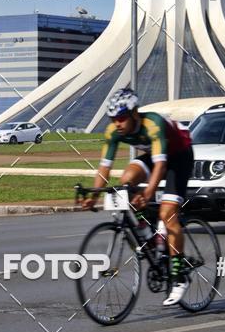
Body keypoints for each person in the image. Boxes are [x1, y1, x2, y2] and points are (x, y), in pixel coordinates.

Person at [82, 88, 194, 305]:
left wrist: (148, 192)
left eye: (122, 118)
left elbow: (162, 166)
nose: (117, 123)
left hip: (180, 156)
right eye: (113, 119)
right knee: (126, 180)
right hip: (155, 155)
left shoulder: (152, 124)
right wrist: (94, 195)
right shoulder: (113, 131)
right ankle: (148, 232)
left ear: (135, 114)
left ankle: (179, 276)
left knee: (168, 213)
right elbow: (104, 167)